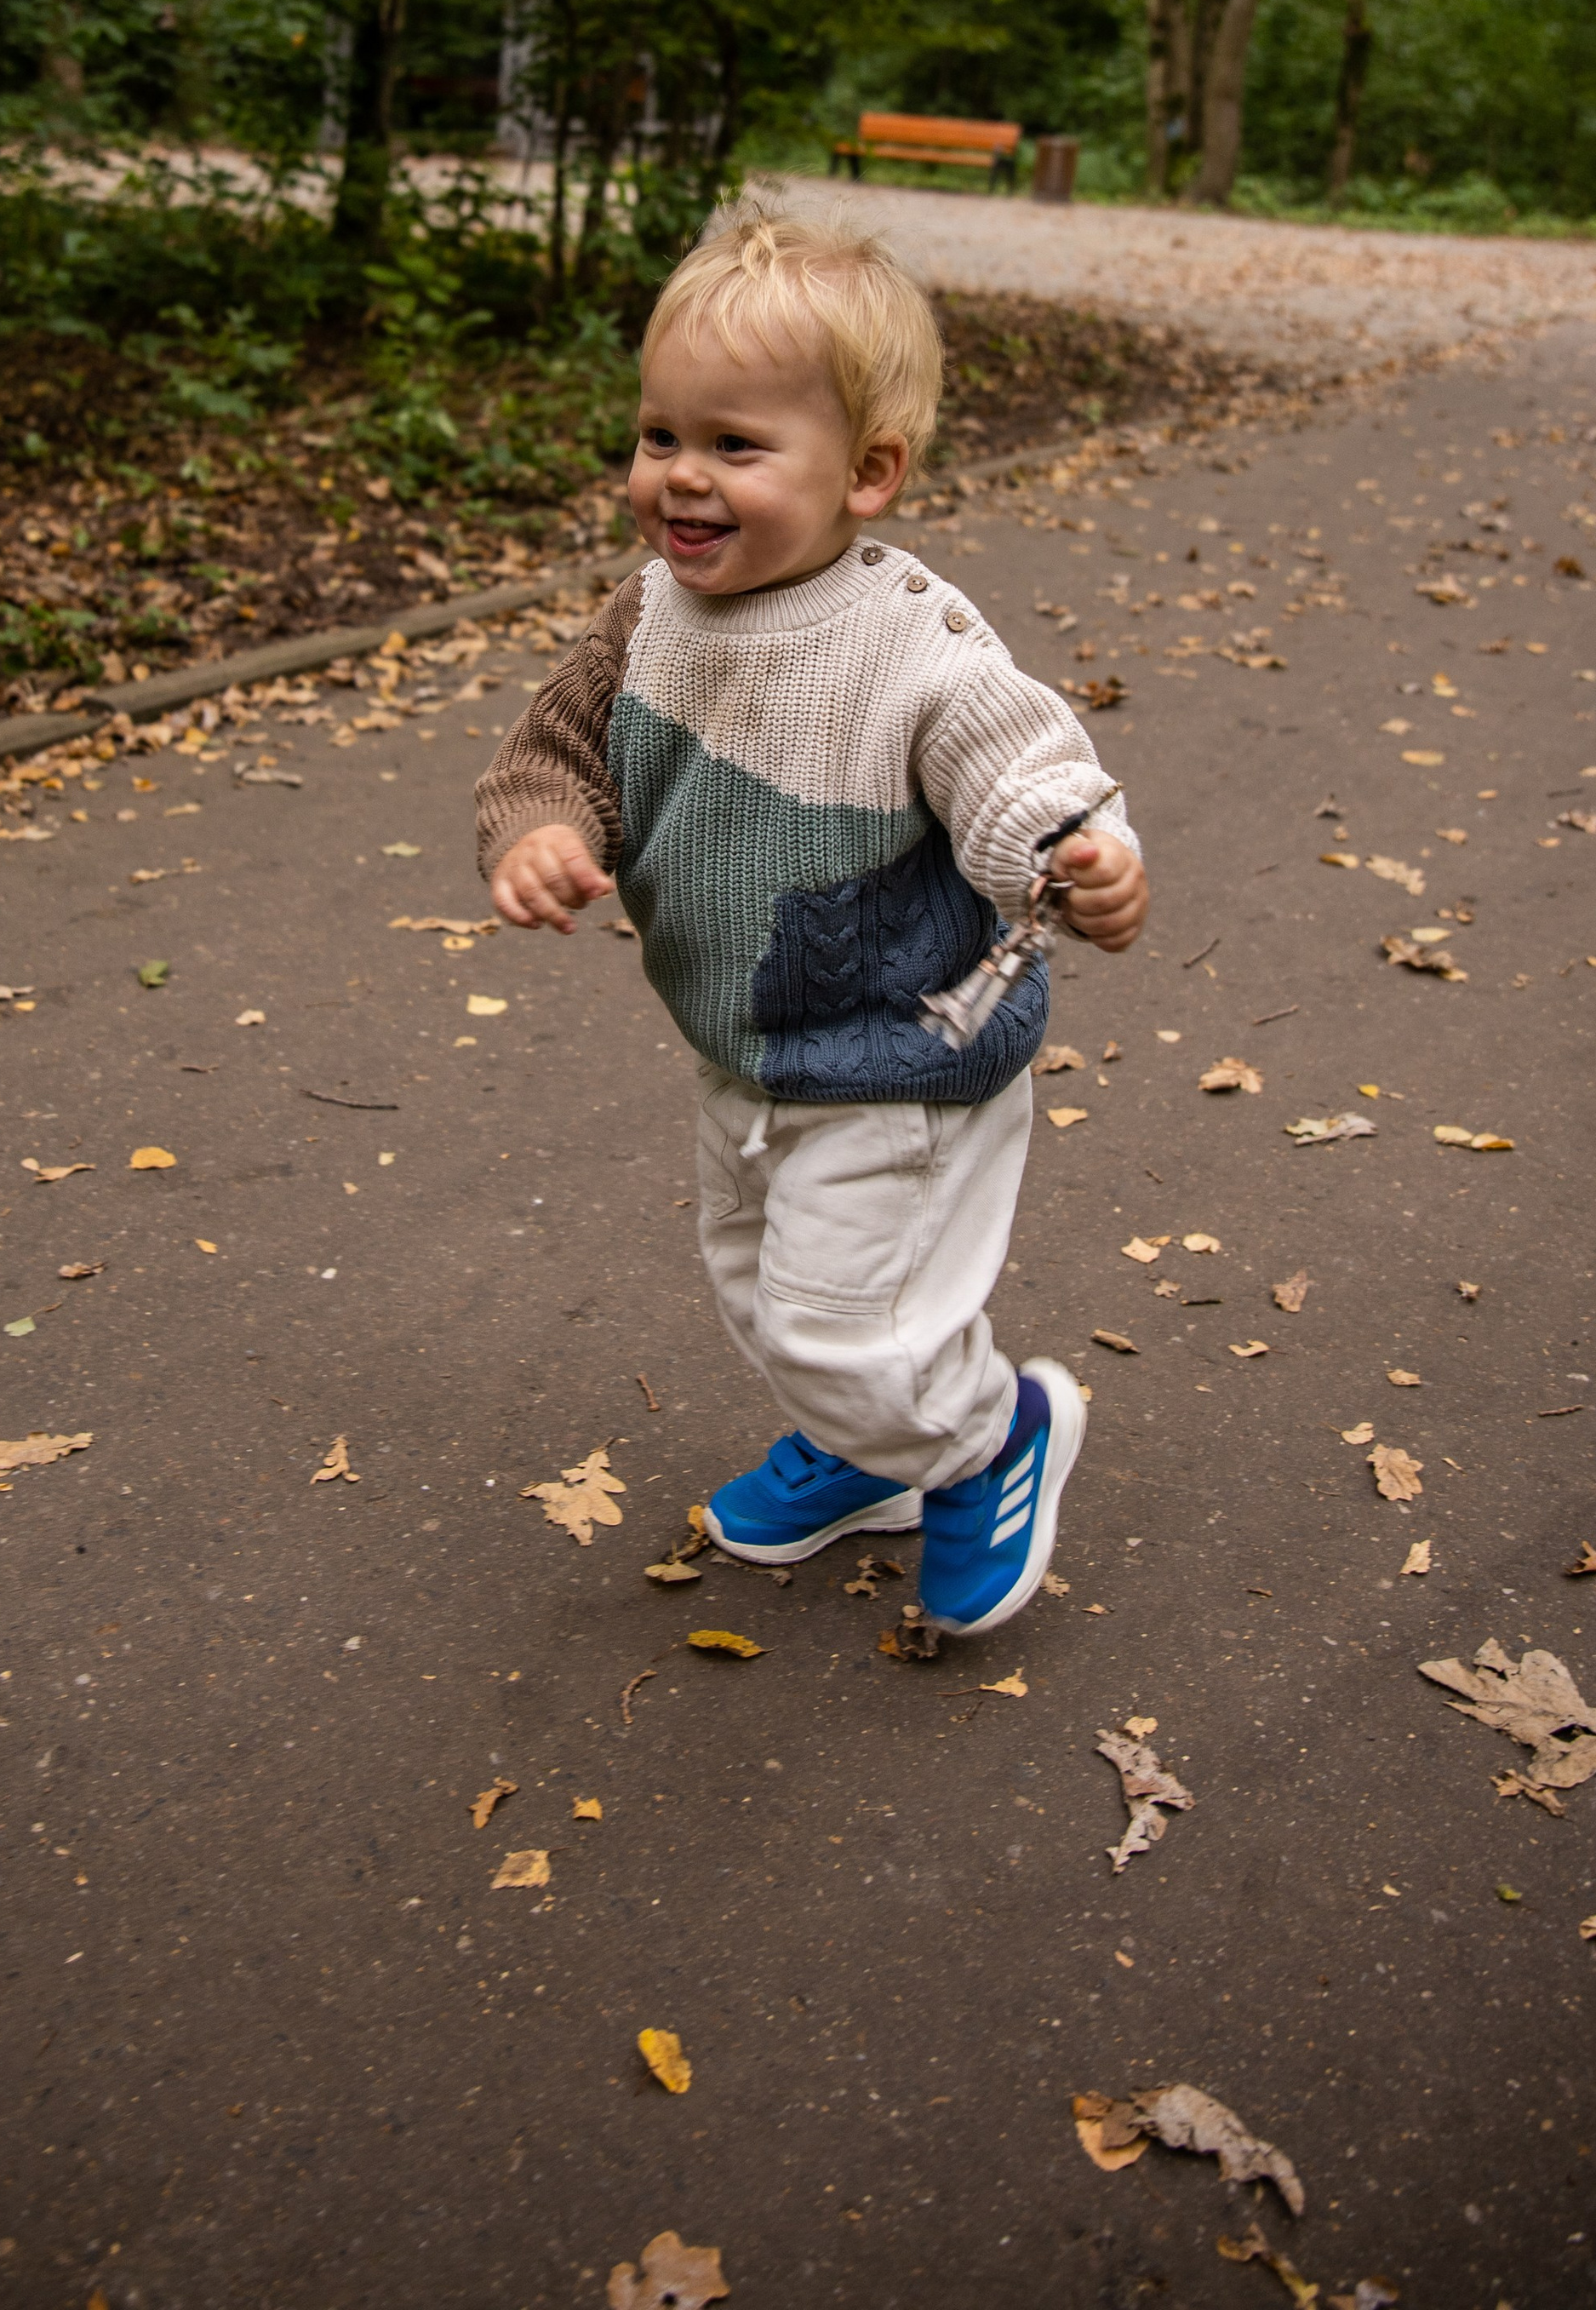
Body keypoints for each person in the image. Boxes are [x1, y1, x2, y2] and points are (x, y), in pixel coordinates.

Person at [474, 203, 1147, 1636]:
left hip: (902, 1053)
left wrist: (1075, 856)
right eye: (663, 437)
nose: (682, 481)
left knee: (847, 1316)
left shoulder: (913, 644)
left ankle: (986, 1438)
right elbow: (561, 747)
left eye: (737, 446)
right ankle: (868, 1451)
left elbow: (1020, 771)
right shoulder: (645, 614)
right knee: (766, 1285)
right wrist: (540, 828)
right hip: (750, 1043)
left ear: (871, 473)